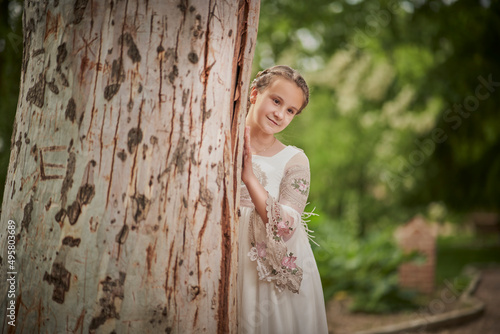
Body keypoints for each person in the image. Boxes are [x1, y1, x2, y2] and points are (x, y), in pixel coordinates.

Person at [238, 65, 328, 334]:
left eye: (290, 110)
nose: (280, 114)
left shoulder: (294, 160)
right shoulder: (218, 140)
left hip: (264, 267)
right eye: (276, 101)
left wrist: (250, 178)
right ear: (255, 94)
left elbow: (286, 227)